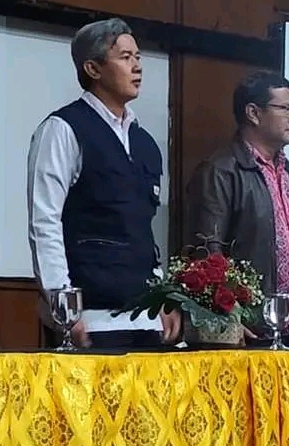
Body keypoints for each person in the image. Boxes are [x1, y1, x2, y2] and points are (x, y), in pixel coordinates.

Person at [27, 18, 180, 350]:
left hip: (146, 319)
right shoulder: (63, 128)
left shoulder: (144, 143)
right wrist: (63, 307)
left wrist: (163, 297)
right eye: (125, 57)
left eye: (138, 57)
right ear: (93, 68)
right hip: (92, 318)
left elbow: (143, 230)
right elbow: (45, 221)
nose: (137, 66)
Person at [187, 71, 289, 346]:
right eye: (285, 108)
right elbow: (206, 253)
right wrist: (228, 315)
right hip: (250, 333)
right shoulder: (221, 171)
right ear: (253, 113)